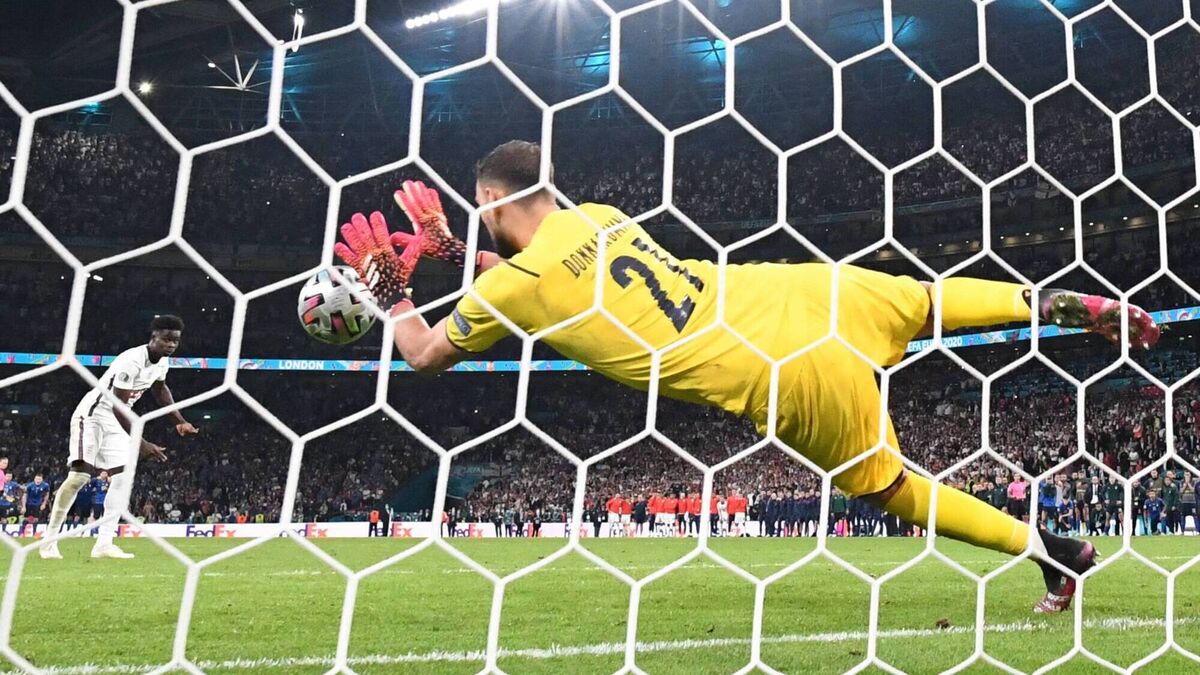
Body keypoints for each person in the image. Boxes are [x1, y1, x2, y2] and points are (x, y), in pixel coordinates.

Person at [338, 141, 1161, 613]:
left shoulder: (515, 283)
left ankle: (1051, 550)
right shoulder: (600, 218)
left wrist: (392, 291)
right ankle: (1056, 302)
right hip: (789, 292)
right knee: (923, 300)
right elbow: (540, 279)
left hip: (777, 371)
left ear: (490, 197)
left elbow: (425, 352)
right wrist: (455, 249)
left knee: (894, 488)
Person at [40, 315, 198, 560]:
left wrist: (179, 420)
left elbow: (160, 389)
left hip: (116, 420)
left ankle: (104, 543)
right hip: (92, 415)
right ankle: (49, 541)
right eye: (166, 339)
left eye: (175, 341)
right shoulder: (131, 360)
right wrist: (142, 444)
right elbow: (118, 406)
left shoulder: (161, 363)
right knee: (80, 476)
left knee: (123, 478)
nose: (170, 345)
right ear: (153, 337)